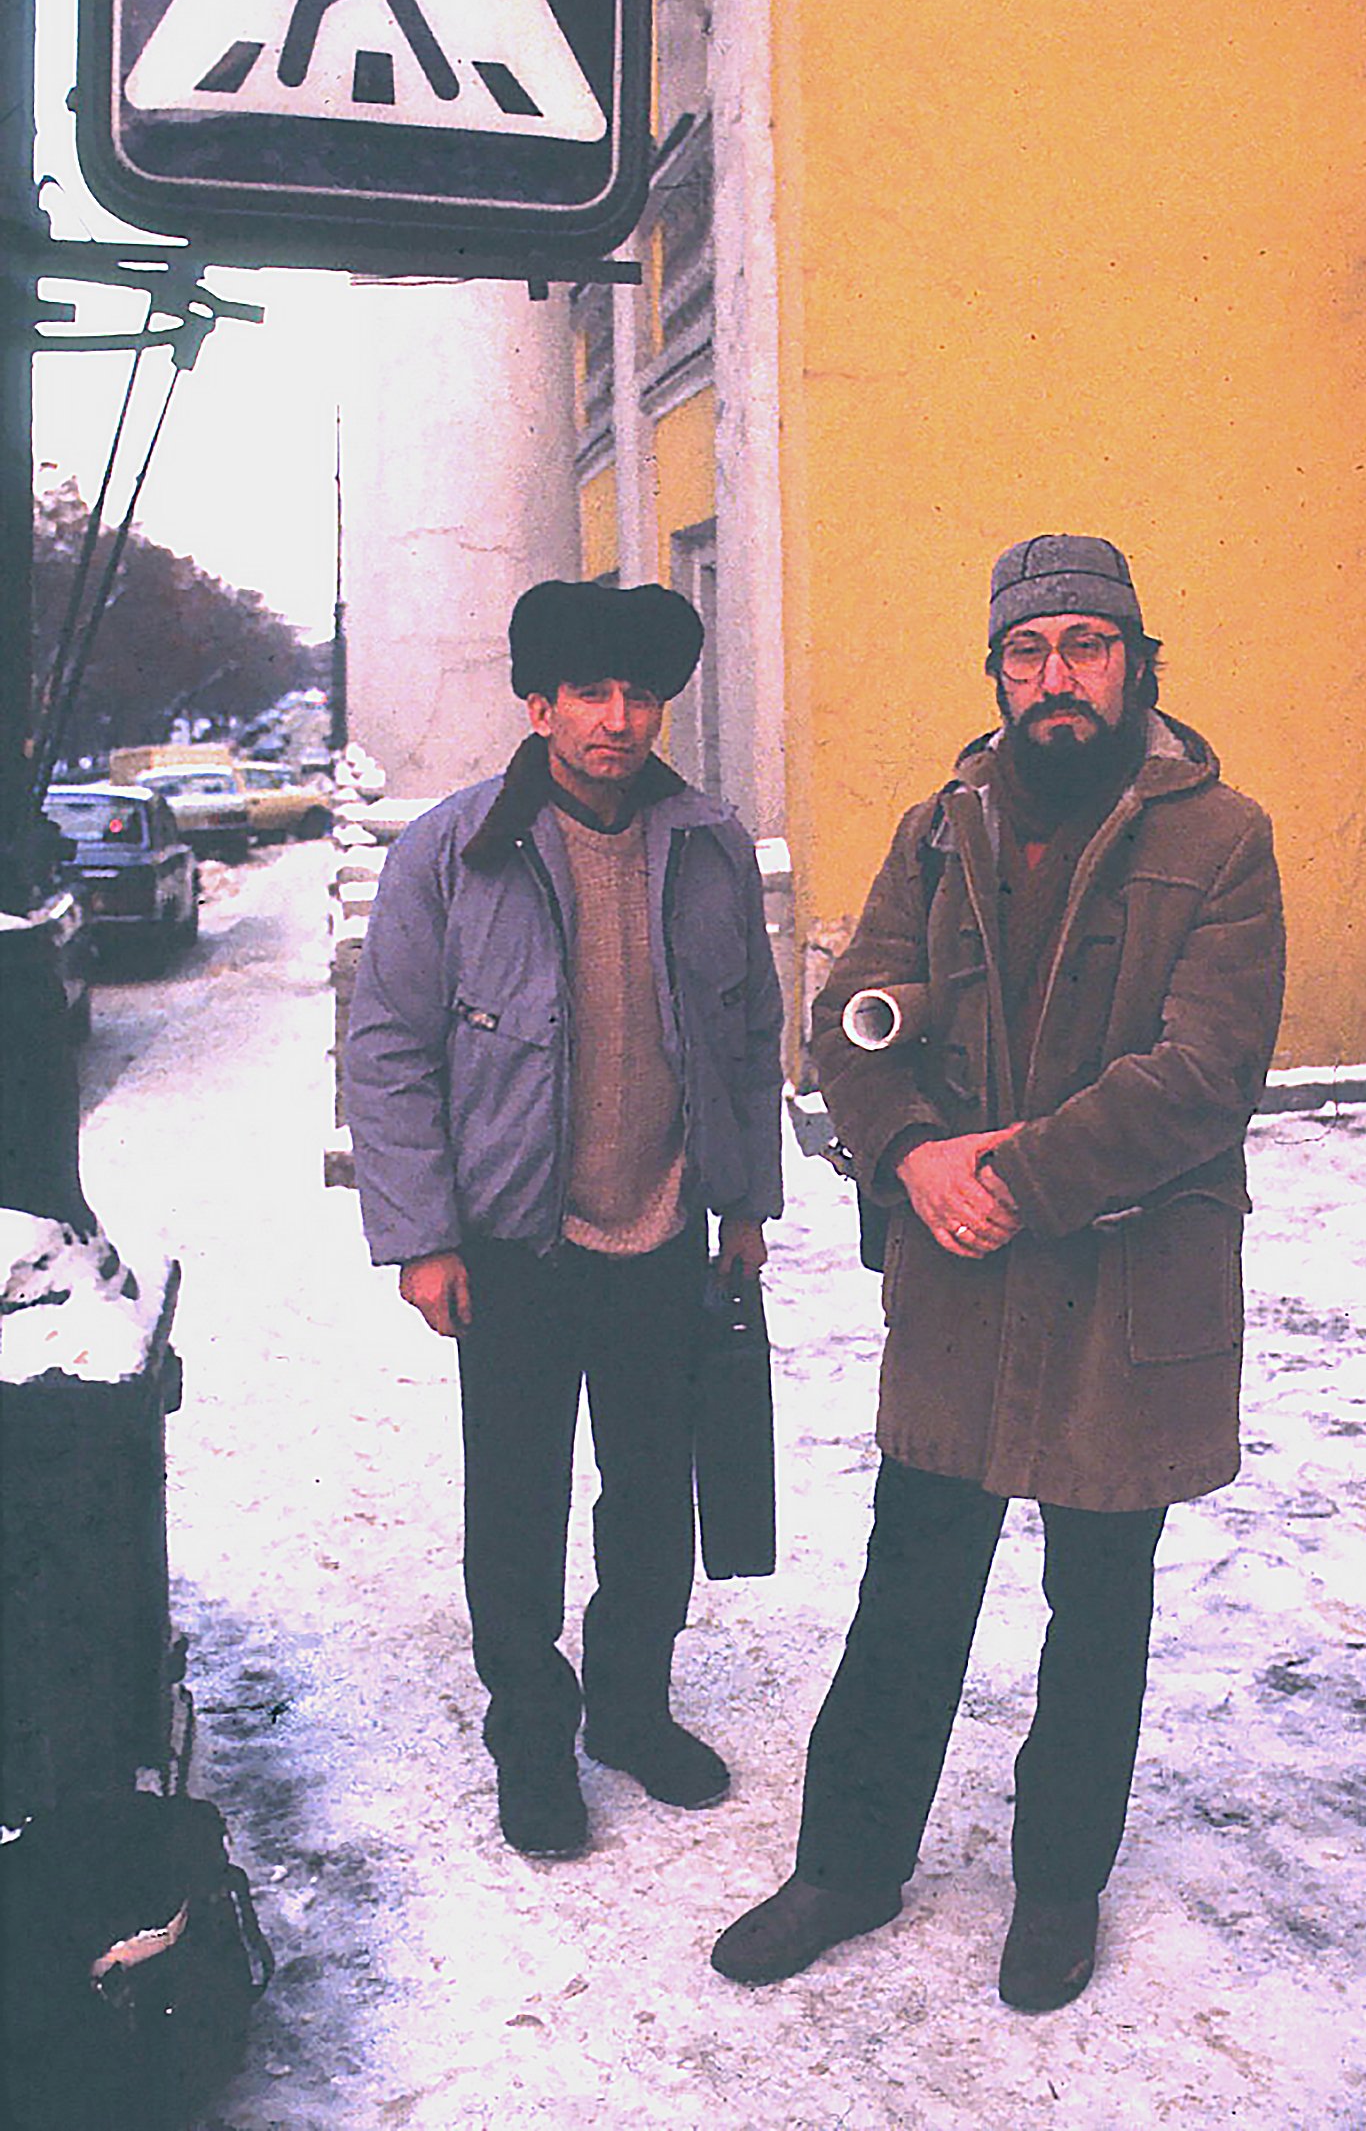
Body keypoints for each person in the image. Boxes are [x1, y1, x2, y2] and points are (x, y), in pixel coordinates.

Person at [712, 534, 1283, 2009]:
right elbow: (850, 1015)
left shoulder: (1224, 839)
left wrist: (1009, 1178)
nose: (1056, 678)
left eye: (1086, 646)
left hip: (1124, 1286)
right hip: (960, 1285)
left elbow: (1205, 1071)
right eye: (1028, 653)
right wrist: (911, 1154)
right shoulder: (938, 829)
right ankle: (847, 1864)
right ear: (998, 674)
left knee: (1098, 1605)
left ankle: (1058, 1887)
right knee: (910, 1582)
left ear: (1138, 662)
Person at [344, 580, 782, 1860]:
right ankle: (532, 1731)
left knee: (651, 1492)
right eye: (589, 693)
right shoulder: (454, 850)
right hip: (513, 1241)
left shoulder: (707, 844)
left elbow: (748, 1034)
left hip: (662, 1229)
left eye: (640, 695)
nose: (617, 719)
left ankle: (631, 1709)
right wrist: (422, 1235)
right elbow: (388, 1051)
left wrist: (744, 1203)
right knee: (518, 1501)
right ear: (538, 708)